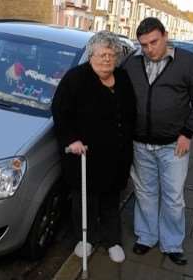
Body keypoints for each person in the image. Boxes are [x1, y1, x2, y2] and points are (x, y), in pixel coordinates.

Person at [122, 17, 193, 265]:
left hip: (174, 144)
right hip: (140, 144)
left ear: (165, 36)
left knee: (173, 197)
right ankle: (146, 237)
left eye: (154, 42)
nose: (150, 49)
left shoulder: (188, 62)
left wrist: (188, 132)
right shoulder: (131, 62)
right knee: (145, 193)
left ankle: (172, 244)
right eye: (144, 44)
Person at [52, 31, 136, 263]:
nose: (107, 59)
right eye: (101, 54)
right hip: (86, 155)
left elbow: (130, 114)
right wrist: (72, 140)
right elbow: (60, 112)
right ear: (91, 55)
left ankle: (113, 241)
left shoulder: (122, 78)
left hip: (116, 156)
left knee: (111, 200)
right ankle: (85, 239)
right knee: (85, 200)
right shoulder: (76, 78)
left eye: (111, 54)